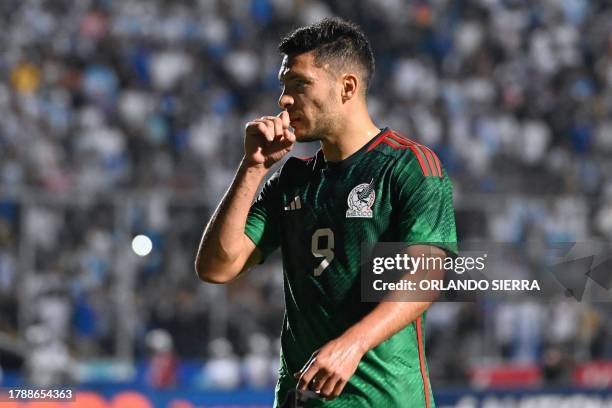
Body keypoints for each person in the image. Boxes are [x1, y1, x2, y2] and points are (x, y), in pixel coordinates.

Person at [195, 17, 457, 407]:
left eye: (299, 85)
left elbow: (429, 273)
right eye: (283, 87)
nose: (284, 100)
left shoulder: (407, 166)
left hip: (383, 400)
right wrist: (252, 167)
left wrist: (352, 345)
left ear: (347, 87)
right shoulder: (292, 180)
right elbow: (217, 267)